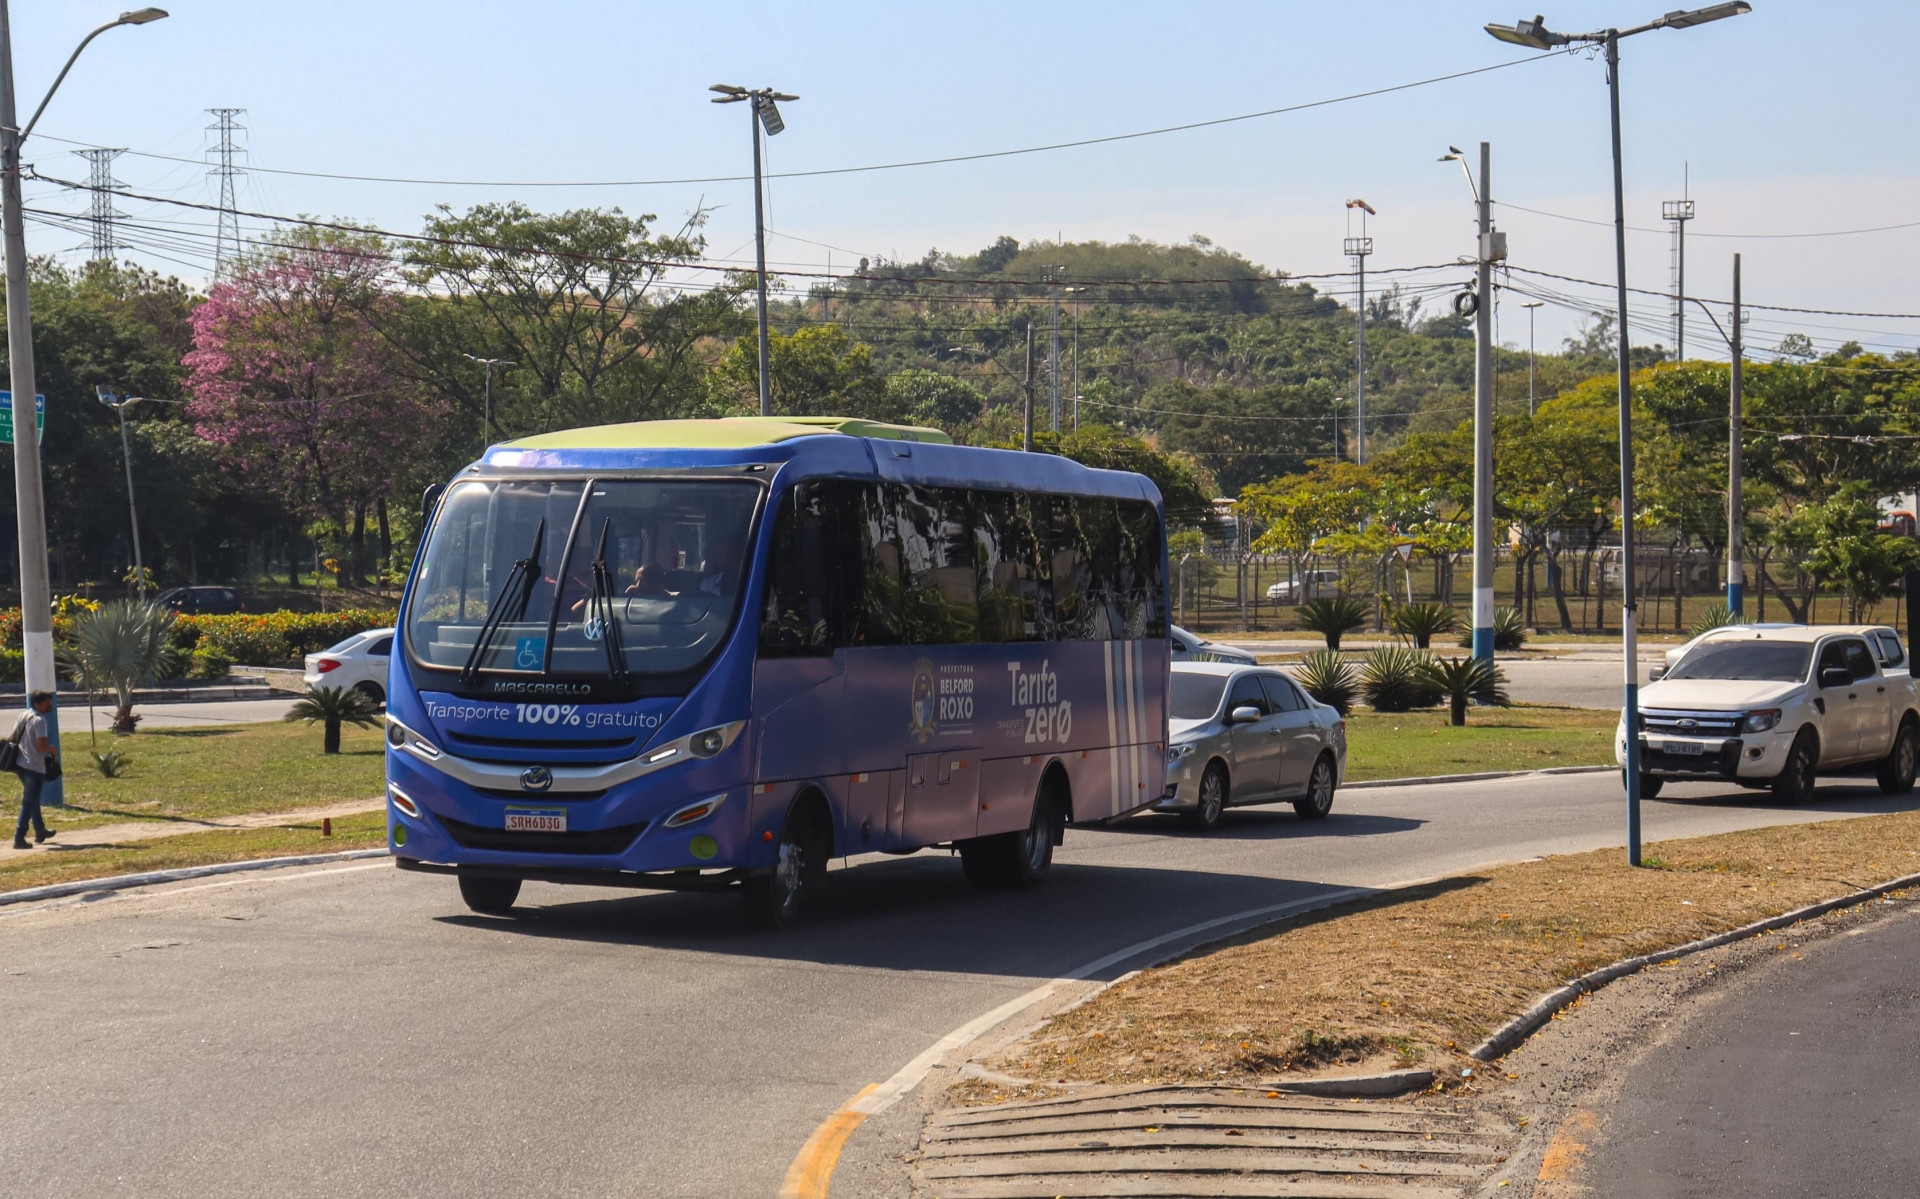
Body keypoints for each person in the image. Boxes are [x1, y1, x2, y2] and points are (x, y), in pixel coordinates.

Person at [12, 690, 57, 850]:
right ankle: (19, 837)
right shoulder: (40, 721)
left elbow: (14, 737)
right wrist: (52, 749)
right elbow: (42, 746)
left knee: (34, 799)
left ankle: (40, 830)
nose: (49, 705)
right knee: (29, 802)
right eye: (46, 703)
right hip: (34, 767)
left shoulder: (23, 715)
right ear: (37, 704)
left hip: (20, 764)